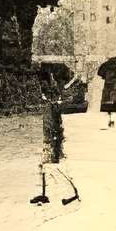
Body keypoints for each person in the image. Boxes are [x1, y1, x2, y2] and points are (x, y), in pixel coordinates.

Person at [32, 77, 82, 205]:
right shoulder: (48, 105)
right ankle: (44, 194)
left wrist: (69, 87)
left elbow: (68, 102)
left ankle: (72, 192)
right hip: (48, 138)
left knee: (55, 167)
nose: (42, 95)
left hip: (53, 139)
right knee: (44, 165)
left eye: (43, 93)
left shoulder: (54, 106)